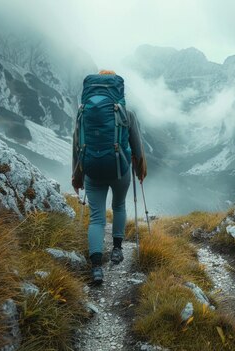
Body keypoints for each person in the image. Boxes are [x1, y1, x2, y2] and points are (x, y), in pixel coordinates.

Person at [72, 70, 147, 284]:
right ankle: (116, 250)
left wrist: (76, 175)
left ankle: (96, 267)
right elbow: (137, 145)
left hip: (92, 170)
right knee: (119, 206)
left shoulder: (82, 112)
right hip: (119, 169)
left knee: (96, 218)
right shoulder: (126, 112)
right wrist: (140, 169)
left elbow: (77, 144)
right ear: (117, 89)